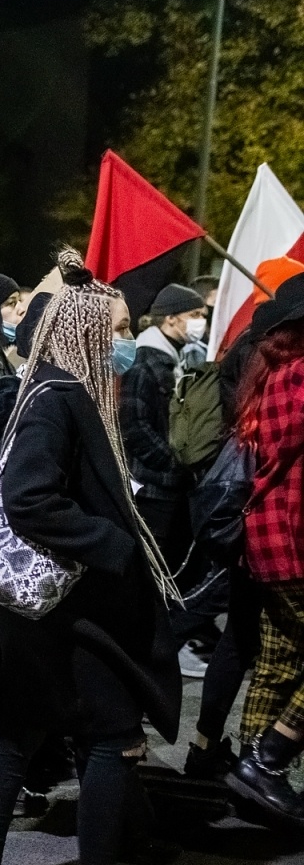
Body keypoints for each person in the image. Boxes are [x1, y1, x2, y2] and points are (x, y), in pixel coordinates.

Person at [0, 251, 182, 865]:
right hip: (69, 611)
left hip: (46, 610)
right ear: (85, 329)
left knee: (17, 733)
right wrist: (111, 543)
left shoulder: (54, 389)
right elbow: (28, 498)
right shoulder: (57, 397)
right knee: (111, 737)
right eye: (119, 327)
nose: (127, 338)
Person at [227, 291, 304, 827]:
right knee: (280, 659)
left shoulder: (271, 373)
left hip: (271, 540)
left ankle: (249, 777)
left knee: (279, 661)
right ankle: (267, 761)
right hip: (293, 539)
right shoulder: (298, 374)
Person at [122, 282, 213, 676]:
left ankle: (164, 648)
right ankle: (145, 654)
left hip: (173, 487)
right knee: (155, 574)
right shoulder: (144, 362)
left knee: (174, 569)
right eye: (195, 315)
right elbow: (135, 426)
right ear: (170, 318)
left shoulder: (178, 357)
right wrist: (174, 464)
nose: (201, 322)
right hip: (154, 489)